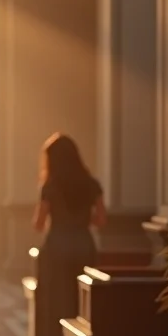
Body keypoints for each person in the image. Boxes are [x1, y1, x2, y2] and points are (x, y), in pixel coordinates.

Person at [31, 133, 106, 322]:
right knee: (82, 295)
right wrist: (82, 220)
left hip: (57, 245)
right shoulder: (91, 184)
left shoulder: (49, 186)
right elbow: (101, 219)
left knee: (57, 296)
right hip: (83, 243)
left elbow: (39, 224)